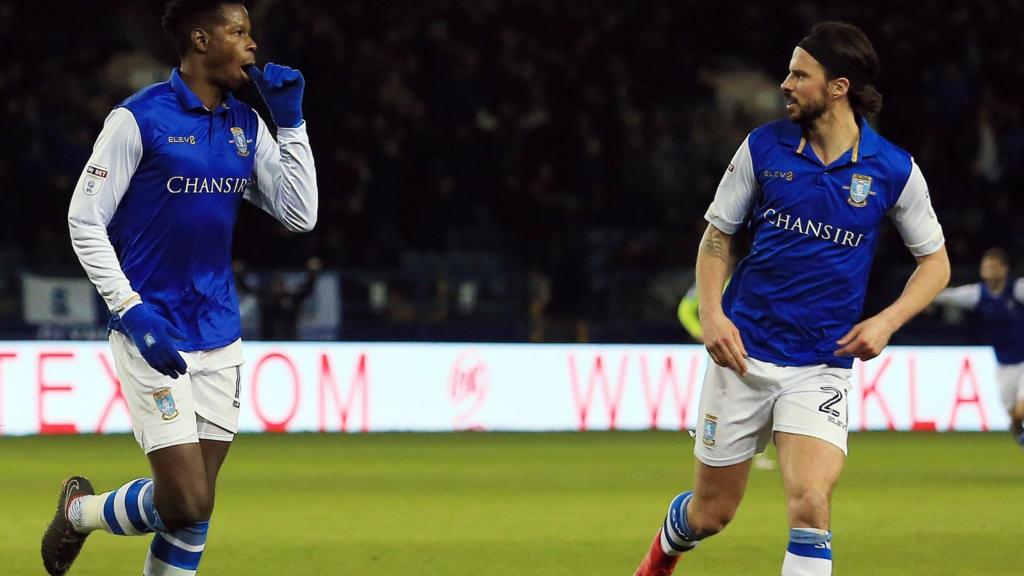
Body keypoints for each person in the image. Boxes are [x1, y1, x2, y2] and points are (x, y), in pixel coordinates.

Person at [634, 21, 949, 576]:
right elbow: (717, 238)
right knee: (711, 514)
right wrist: (712, 314)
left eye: (799, 74)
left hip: (821, 364)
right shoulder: (763, 148)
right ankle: (662, 556)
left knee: (811, 505)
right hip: (742, 354)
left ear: (838, 87)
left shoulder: (893, 169)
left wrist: (888, 321)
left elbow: (936, 264)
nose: (785, 83)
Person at [42, 1, 317, 575]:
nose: (252, 45)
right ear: (200, 39)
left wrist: (291, 125)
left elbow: (299, 213)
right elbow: (83, 220)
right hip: (154, 329)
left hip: (219, 333)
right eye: (238, 32)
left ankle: (81, 514)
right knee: (186, 499)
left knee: (193, 510)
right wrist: (130, 310)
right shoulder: (137, 119)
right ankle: (80, 513)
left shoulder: (245, 125)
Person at [933, 248, 1024, 447]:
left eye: (993, 266)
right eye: (986, 266)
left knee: (1021, 410)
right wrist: (920, 297)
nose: (989, 271)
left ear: (1004, 269)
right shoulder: (976, 294)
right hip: (1004, 363)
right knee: (1013, 416)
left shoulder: (1017, 289)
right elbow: (949, 297)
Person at [235, 256, 322, 340]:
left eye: (281, 283)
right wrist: (238, 274)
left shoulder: (292, 298)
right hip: (268, 342)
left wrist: (313, 273)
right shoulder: (266, 298)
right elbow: (247, 289)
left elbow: (306, 290)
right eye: (276, 283)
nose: (278, 286)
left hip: (290, 341)